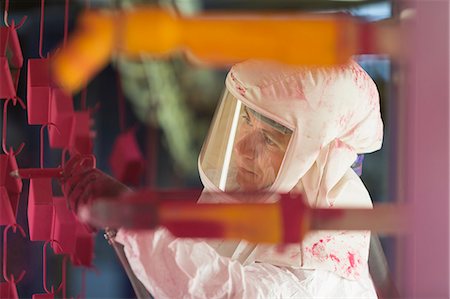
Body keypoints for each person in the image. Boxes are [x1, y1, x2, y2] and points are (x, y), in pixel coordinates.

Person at [63, 59, 383, 298]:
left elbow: (222, 291)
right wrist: (119, 226)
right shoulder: (270, 218)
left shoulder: (321, 269)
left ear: (315, 161)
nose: (242, 148)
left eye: (269, 139)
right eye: (244, 121)